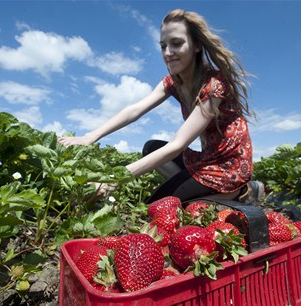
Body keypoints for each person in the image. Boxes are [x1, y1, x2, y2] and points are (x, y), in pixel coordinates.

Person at [58, 9, 264, 205]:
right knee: (150, 148)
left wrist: (113, 180)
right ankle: (200, 191)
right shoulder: (174, 82)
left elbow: (178, 144)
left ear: (197, 45)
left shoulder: (214, 85)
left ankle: (238, 192)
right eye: (163, 46)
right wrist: (90, 137)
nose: (168, 52)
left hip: (228, 166)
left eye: (176, 44)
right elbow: (134, 110)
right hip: (206, 159)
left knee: (156, 207)